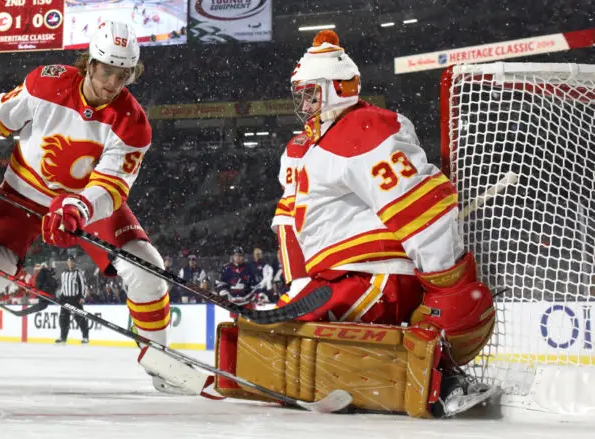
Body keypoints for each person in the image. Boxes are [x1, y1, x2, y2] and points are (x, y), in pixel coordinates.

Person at [165, 31, 496, 417]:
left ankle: (442, 380)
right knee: (264, 325)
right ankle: (412, 376)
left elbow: (422, 207)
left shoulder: (361, 130)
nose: (303, 105)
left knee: (265, 333)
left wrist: (447, 283)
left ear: (337, 90)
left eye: (311, 94)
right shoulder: (323, 142)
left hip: (373, 278)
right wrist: (302, 281)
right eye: (300, 95)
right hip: (348, 277)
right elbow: (292, 223)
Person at [0, 21, 173, 392]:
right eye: (106, 70)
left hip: (84, 206)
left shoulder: (134, 124)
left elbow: (112, 186)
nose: (112, 82)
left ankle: (162, 362)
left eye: (122, 74)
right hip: (22, 195)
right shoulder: (46, 83)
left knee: (147, 267)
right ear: (89, 63)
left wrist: (77, 207)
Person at [55, 258, 91, 344]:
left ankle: (85, 337)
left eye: (71, 262)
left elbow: (83, 285)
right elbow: (62, 285)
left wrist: (82, 297)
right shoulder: (63, 273)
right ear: (67, 263)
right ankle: (63, 337)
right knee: (63, 319)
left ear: (74, 263)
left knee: (80, 318)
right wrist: (60, 296)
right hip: (65, 299)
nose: (70, 263)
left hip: (75, 299)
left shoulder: (78, 272)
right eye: (68, 262)